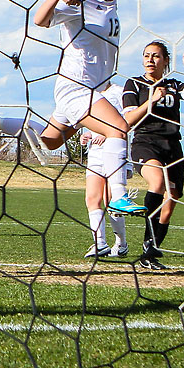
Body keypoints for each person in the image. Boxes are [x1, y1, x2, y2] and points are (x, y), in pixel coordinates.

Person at [0, 0, 145, 217]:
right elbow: (40, 20)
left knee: (51, 140)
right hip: (77, 88)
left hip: (93, 89)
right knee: (118, 129)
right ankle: (119, 196)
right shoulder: (80, 1)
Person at [123, 41, 184, 270]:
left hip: (172, 146)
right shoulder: (134, 84)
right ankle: (147, 246)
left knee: (171, 201)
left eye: (156, 56)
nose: (150, 60)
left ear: (166, 60)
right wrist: (152, 101)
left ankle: (152, 248)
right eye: (146, 55)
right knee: (157, 181)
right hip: (145, 143)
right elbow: (128, 121)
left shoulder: (172, 84)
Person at [79, 81, 130, 258]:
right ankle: (99, 242)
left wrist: (106, 132)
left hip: (114, 151)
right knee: (92, 198)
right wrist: (87, 135)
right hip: (94, 153)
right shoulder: (86, 93)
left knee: (111, 200)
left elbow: (127, 122)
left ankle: (121, 243)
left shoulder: (119, 91)